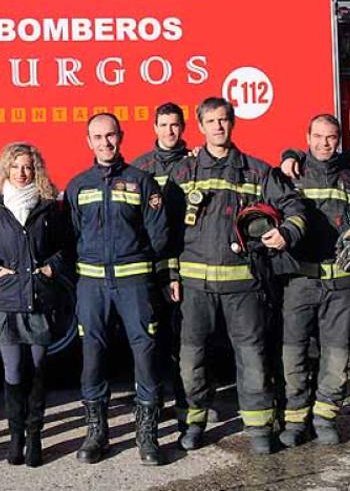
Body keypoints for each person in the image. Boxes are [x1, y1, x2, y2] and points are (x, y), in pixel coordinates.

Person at [169, 97, 306, 455]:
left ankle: (259, 429)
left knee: (253, 359)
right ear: (199, 127)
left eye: (224, 120)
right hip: (194, 287)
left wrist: (286, 233)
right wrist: (169, 274)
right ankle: (193, 422)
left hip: (244, 286)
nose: (218, 126)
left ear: (233, 123)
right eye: (211, 121)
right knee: (190, 361)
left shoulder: (257, 172)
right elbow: (163, 230)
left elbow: (293, 206)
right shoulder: (183, 174)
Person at [66, 115, 169, 465]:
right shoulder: (77, 185)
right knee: (92, 357)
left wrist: (136, 265)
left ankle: (147, 436)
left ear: (121, 137)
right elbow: (73, 234)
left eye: (110, 135)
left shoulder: (142, 182)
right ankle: (97, 433)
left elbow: (158, 236)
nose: (105, 143)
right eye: (97, 137)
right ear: (88, 141)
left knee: (145, 354)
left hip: (133, 283)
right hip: (92, 284)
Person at [0, 142, 71, 467]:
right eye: (15, 167)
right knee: (13, 371)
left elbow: (66, 248)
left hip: (40, 300)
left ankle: (35, 437)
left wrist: (51, 268)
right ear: (6, 169)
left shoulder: (48, 207)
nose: (22, 173)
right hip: (5, 302)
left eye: (28, 167)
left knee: (39, 371)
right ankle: (16, 437)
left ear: (37, 170)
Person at [273, 114, 350, 447]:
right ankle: (295, 419)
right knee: (292, 355)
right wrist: (289, 154)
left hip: (340, 283)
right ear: (307, 137)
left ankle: (325, 417)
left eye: (332, 137)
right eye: (319, 136)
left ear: (339, 139)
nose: (326, 143)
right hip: (299, 281)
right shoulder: (289, 176)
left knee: (336, 357)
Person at [129, 102, 190, 425]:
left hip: (188, 263)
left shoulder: (195, 164)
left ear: (183, 127)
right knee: (150, 339)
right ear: (154, 128)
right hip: (150, 267)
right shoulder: (140, 169)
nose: (170, 131)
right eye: (164, 125)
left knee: (185, 341)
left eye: (175, 125)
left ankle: (185, 405)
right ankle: (152, 403)